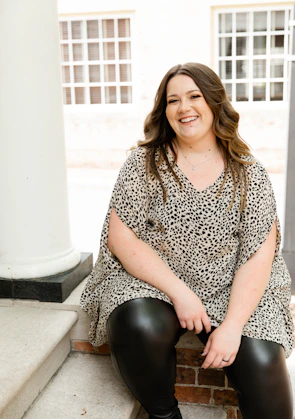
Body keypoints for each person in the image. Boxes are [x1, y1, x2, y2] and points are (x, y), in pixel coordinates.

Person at [80, 62, 294, 419]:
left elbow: (259, 255)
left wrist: (232, 327)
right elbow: (121, 238)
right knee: (138, 323)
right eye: (173, 100)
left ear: (214, 103)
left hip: (232, 286)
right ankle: (165, 416)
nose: (184, 108)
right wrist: (181, 293)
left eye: (194, 96)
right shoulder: (144, 163)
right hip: (155, 283)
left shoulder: (249, 172)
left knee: (262, 364)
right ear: (164, 110)